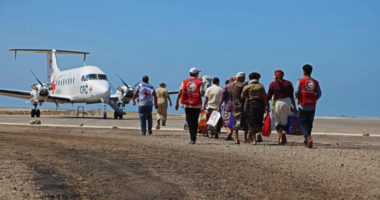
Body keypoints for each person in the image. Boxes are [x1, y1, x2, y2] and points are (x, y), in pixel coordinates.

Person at [267, 69, 297, 145]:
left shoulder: (273, 84)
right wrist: (294, 107)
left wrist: (266, 104)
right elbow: (291, 96)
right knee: (285, 119)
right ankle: (283, 132)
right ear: (283, 75)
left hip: (279, 103)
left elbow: (269, 96)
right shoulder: (289, 83)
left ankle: (281, 136)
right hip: (287, 102)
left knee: (278, 121)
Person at [175, 67, 204, 144]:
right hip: (196, 105)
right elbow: (202, 93)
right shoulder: (199, 82)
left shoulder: (184, 82)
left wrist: (177, 102)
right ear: (196, 74)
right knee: (195, 121)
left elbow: (180, 92)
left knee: (189, 121)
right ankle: (193, 138)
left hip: (187, 104)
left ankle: (192, 138)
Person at [295, 64, 322, 148]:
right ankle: (307, 140)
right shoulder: (315, 82)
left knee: (301, 123)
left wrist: (298, 98)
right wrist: (314, 99)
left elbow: (296, 91)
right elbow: (319, 94)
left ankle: (307, 137)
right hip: (312, 105)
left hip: (302, 105)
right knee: (309, 124)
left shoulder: (301, 81)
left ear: (303, 71)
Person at [241, 72, 269, 145]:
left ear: (249, 78)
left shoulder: (247, 86)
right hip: (260, 105)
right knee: (259, 120)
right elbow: (264, 97)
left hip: (251, 105)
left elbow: (242, 96)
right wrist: (267, 106)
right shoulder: (261, 86)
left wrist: (248, 96)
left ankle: (253, 139)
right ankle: (257, 134)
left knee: (251, 121)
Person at [230, 72, 247, 144]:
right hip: (241, 103)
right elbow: (244, 96)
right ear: (240, 78)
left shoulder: (232, 84)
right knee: (245, 120)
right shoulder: (242, 85)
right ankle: (245, 139)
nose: (244, 78)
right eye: (243, 77)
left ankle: (236, 139)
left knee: (235, 120)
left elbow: (231, 95)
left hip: (234, 103)